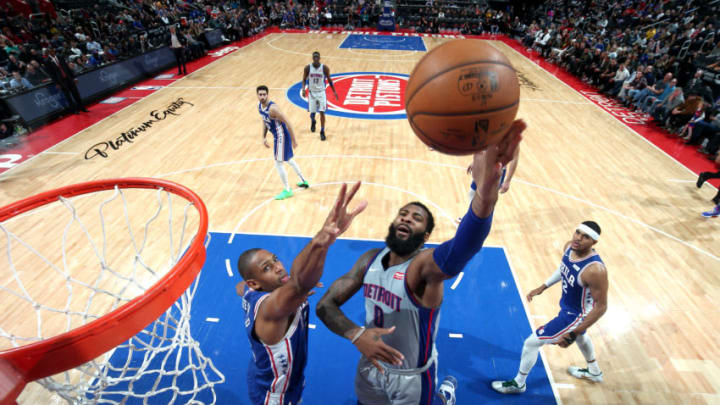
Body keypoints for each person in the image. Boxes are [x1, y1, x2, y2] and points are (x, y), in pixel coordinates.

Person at [316, 120, 526, 405]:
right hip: (370, 365)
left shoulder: (423, 268)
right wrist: (356, 334)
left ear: (426, 236)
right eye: (403, 214)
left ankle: (444, 396)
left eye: (416, 218)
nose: (406, 218)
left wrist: (485, 197)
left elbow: (464, 247)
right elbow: (324, 305)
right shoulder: (369, 261)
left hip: (411, 379)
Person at [237, 182, 367, 405]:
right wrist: (323, 241)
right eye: (267, 268)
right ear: (255, 283)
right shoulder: (272, 308)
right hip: (276, 395)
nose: (278, 267)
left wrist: (295, 293)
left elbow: (240, 288)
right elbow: (299, 283)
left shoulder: (251, 290)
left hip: (266, 375)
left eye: (275, 260)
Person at [491, 221, 609, 394]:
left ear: (594, 243)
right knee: (582, 338)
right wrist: (543, 286)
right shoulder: (570, 247)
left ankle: (519, 383)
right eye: (577, 232)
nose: (578, 238)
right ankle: (594, 371)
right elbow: (564, 269)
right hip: (568, 307)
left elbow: (601, 307)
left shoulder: (595, 270)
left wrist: (573, 332)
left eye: (585, 237)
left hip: (576, 315)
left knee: (531, 343)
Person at [257, 85, 309, 200]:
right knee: (289, 160)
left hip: (281, 137)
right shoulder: (259, 106)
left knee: (278, 162)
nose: (262, 97)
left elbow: (288, 122)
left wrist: (294, 140)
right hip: (278, 136)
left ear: (267, 94)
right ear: (257, 95)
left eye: (264, 94)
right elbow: (264, 121)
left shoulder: (273, 109)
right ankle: (304, 181)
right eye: (260, 94)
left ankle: (287, 190)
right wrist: (264, 136)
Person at [301, 51, 338, 141]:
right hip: (312, 93)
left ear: (320, 58)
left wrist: (334, 91)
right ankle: (313, 120)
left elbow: (329, 80)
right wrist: (303, 89)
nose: (316, 59)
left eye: (317, 57)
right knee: (312, 113)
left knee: (322, 112)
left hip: (321, 92)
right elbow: (303, 79)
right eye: (314, 57)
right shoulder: (308, 68)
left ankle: (322, 131)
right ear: (313, 58)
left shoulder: (324, 68)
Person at [43, 47, 88, 114]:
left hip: (69, 78)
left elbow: (67, 68)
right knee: (68, 97)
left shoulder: (60, 56)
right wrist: (57, 83)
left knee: (76, 94)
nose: (53, 52)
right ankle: (74, 110)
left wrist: (74, 77)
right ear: (48, 53)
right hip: (61, 82)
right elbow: (51, 74)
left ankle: (82, 108)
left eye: (53, 50)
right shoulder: (47, 61)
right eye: (51, 51)